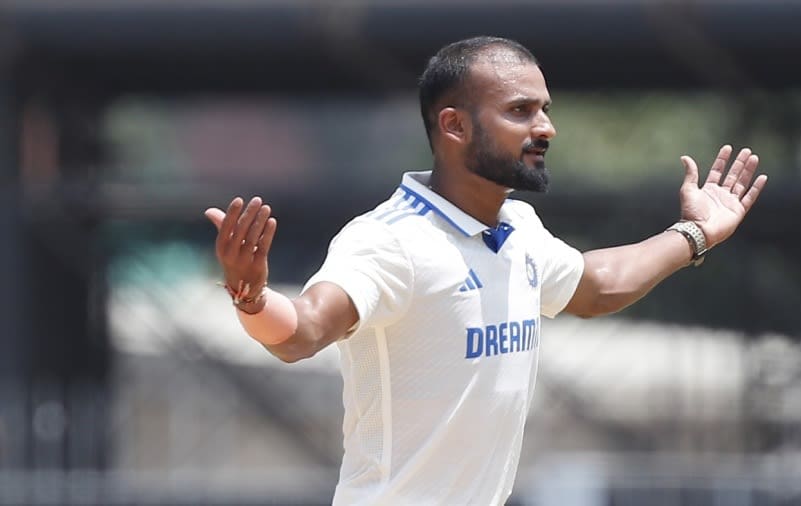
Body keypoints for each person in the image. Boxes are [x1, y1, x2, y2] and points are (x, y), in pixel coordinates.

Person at [204, 36, 767, 506]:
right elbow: (303, 331)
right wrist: (251, 298)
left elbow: (597, 286)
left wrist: (695, 233)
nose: (545, 127)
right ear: (454, 126)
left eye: (545, 109)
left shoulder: (517, 226)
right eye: (520, 111)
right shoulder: (390, 239)